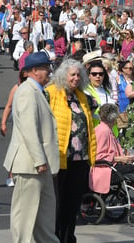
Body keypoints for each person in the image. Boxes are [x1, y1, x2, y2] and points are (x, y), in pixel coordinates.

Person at [3, 52, 59, 243]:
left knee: (44, 217)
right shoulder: (27, 91)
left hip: (37, 164)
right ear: (34, 70)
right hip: (30, 164)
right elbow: (29, 128)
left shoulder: (35, 90)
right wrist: (39, 159)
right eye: (46, 68)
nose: (49, 71)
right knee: (25, 219)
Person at [45, 58, 97, 243]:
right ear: (63, 76)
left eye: (78, 75)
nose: (76, 78)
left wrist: (93, 155)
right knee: (57, 205)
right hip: (59, 158)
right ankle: (54, 239)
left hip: (80, 159)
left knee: (73, 204)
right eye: (72, 75)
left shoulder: (82, 97)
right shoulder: (51, 93)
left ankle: (68, 238)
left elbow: (90, 127)